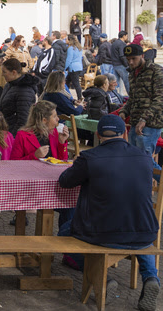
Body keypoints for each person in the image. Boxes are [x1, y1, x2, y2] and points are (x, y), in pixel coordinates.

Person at [58, 114, 160, 311]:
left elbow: (65, 181)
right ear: (125, 132)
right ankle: (151, 278)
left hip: (101, 232)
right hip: (146, 230)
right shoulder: (144, 157)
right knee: (140, 235)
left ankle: (102, 278)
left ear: (98, 134)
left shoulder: (90, 157)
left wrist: (77, 163)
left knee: (63, 232)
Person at [120, 43, 163, 165]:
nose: (131, 62)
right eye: (128, 60)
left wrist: (144, 119)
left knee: (144, 161)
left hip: (151, 122)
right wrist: (124, 111)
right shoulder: (132, 74)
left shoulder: (156, 71)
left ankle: (160, 183)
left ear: (142, 55)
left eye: (134, 58)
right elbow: (132, 98)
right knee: (134, 160)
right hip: (135, 121)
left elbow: (160, 99)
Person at [0, 57, 38, 134]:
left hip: (13, 133)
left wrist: (12, 137)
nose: (2, 75)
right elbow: (6, 106)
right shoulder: (9, 85)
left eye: (4, 72)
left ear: (13, 72)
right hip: (6, 128)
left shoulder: (24, 91)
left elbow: (23, 120)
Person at [64, 34, 84, 101]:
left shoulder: (70, 48)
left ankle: (79, 98)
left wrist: (64, 67)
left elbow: (69, 59)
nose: (65, 40)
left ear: (70, 40)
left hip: (73, 68)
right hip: (79, 66)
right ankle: (66, 95)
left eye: (66, 39)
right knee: (66, 82)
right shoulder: (79, 48)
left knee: (76, 84)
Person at [112, 30, 131, 94]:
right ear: (124, 36)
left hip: (115, 64)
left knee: (114, 83)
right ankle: (131, 96)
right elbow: (122, 55)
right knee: (127, 82)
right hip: (121, 65)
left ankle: (114, 95)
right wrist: (127, 65)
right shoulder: (122, 44)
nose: (127, 37)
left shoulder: (114, 43)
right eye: (126, 36)